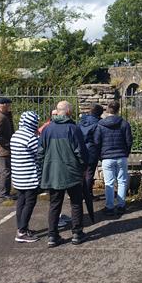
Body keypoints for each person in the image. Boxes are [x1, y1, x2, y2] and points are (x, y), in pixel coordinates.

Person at [38, 100, 89, 247]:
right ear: (68, 112)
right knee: (76, 203)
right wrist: (83, 167)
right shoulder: (73, 128)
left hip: (53, 172)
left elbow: (40, 153)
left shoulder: (47, 129)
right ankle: (77, 234)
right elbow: (81, 152)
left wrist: (43, 169)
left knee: (55, 204)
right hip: (72, 172)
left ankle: (52, 236)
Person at [94, 100, 133, 217]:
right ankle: (121, 206)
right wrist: (125, 153)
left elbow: (96, 142)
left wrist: (101, 156)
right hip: (121, 156)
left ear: (107, 109)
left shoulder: (100, 124)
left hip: (107, 157)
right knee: (122, 181)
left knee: (109, 183)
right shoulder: (124, 123)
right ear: (118, 110)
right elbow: (129, 141)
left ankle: (109, 207)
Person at [10, 111, 40, 243]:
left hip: (18, 176)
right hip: (29, 177)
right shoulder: (30, 137)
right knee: (29, 203)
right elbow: (40, 154)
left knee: (21, 203)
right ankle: (22, 232)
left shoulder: (15, 135)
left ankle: (21, 227)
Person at [0, 97, 16, 201]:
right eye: (9, 105)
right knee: (5, 171)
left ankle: (5, 192)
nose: (10, 107)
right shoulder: (0, 117)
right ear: (4, 105)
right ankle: (3, 193)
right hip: (3, 150)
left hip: (3, 149)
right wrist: (8, 144)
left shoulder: (2, 115)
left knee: (5, 171)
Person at [79, 104, 104, 199]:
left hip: (81, 149)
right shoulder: (99, 123)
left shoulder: (82, 121)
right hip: (92, 150)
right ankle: (87, 195)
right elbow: (98, 139)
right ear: (99, 113)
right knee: (89, 173)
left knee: (82, 173)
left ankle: (81, 194)